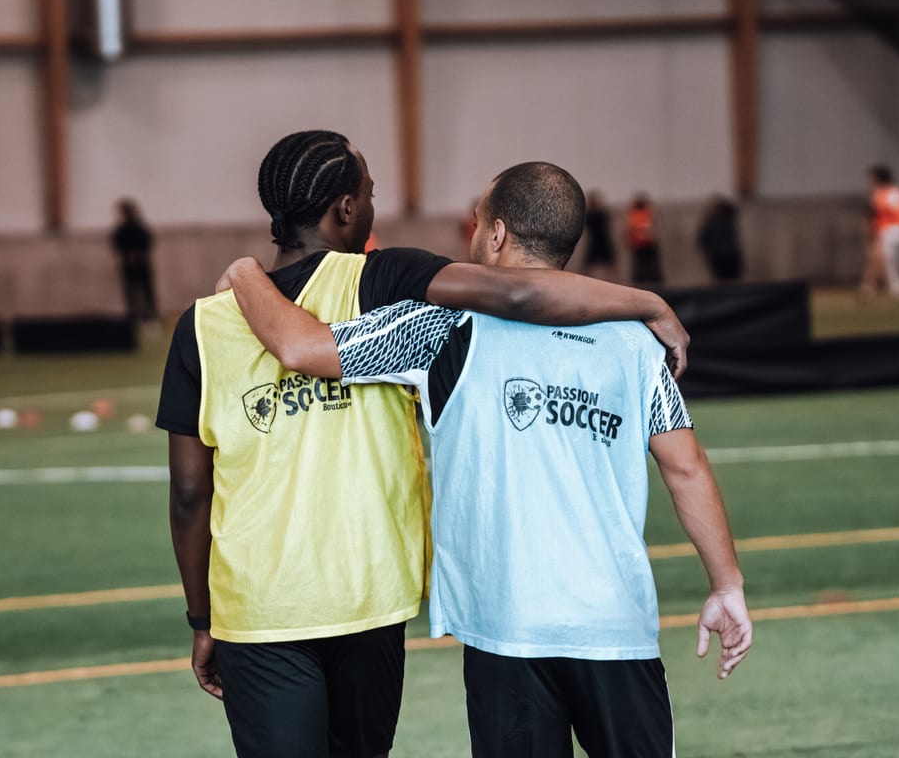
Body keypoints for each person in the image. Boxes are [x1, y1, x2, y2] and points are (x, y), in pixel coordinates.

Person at [157, 131, 690, 758]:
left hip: (254, 609)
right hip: (369, 595)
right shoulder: (386, 277)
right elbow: (522, 289)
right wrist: (646, 302)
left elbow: (189, 494)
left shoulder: (203, 324)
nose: (374, 206)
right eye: (370, 194)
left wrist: (202, 619)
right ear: (346, 209)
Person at [859, 164, 899, 300]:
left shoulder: (882, 194)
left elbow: (874, 214)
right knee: (891, 261)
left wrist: (871, 231)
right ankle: (891, 287)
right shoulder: (896, 191)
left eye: (872, 178)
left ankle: (889, 288)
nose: (870, 181)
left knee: (888, 261)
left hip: (890, 230)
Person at [111, 198, 158, 322]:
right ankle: (138, 315)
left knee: (143, 291)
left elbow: (146, 242)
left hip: (139, 263)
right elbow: (117, 243)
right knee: (133, 292)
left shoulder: (136, 227)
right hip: (131, 264)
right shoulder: (125, 228)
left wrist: (136, 255)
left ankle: (148, 314)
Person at [697, 195, 743, 281]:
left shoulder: (726, 219)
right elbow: (703, 239)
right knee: (723, 279)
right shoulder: (710, 222)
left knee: (731, 279)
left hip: (728, 255)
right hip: (719, 256)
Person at [626, 192, 663, 285]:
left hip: (641, 244)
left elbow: (630, 230)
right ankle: (653, 280)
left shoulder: (634, 214)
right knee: (649, 266)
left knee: (643, 266)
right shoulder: (645, 214)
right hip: (645, 243)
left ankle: (642, 281)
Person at [580, 190, 617, 281]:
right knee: (607, 266)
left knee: (609, 266)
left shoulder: (595, 214)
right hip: (600, 242)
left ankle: (613, 281)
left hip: (600, 242)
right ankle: (613, 281)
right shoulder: (599, 214)